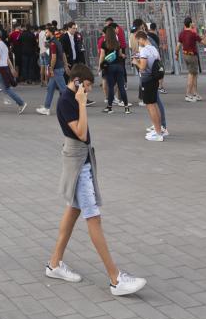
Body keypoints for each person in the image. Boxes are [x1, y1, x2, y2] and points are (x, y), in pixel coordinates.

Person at [44, 63, 146, 296]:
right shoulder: (68, 101)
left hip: (82, 159)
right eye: (87, 86)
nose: (89, 91)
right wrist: (82, 104)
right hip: (78, 162)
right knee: (93, 217)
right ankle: (115, 278)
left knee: (73, 212)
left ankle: (54, 263)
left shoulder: (71, 99)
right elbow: (80, 132)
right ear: (78, 82)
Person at [133, 30, 166, 140]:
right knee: (154, 104)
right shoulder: (154, 49)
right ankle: (159, 129)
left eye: (138, 41)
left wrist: (135, 62)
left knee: (150, 106)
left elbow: (142, 67)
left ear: (141, 39)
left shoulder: (144, 51)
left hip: (147, 80)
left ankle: (157, 133)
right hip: (155, 79)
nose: (138, 43)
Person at [0, 32, 26, 113]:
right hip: (1, 69)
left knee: (6, 89)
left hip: (0, 69)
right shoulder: (3, 45)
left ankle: (21, 103)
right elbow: (7, 58)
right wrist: (12, 68)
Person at [98, 21, 130, 114]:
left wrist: (100, 67)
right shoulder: (117, 43)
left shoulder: (104, 44)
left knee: (111, 87)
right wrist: (123, 56)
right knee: (121, 87)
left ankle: (110, 107)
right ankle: (126, 107)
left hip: (109, 67)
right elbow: (120, 54)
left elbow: (102, 56)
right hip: (119, 66)